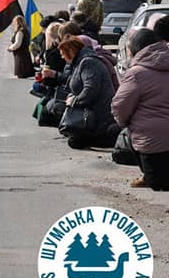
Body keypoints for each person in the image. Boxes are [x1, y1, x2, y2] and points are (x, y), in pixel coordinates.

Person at [111, 28, 169, 190]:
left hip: (151, 142)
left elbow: (120, 106)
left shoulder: (136, 73)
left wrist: (124, 123)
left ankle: (148, 175)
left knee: (158, 184)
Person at [57, 35, 119, 149]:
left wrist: (75, 100)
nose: (61, 57)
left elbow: (90, 90)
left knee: (74, 141)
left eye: (63, 53)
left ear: (70, 51)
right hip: (90, 112)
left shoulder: (88, 63)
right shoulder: (80, 62)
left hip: (99, 117)